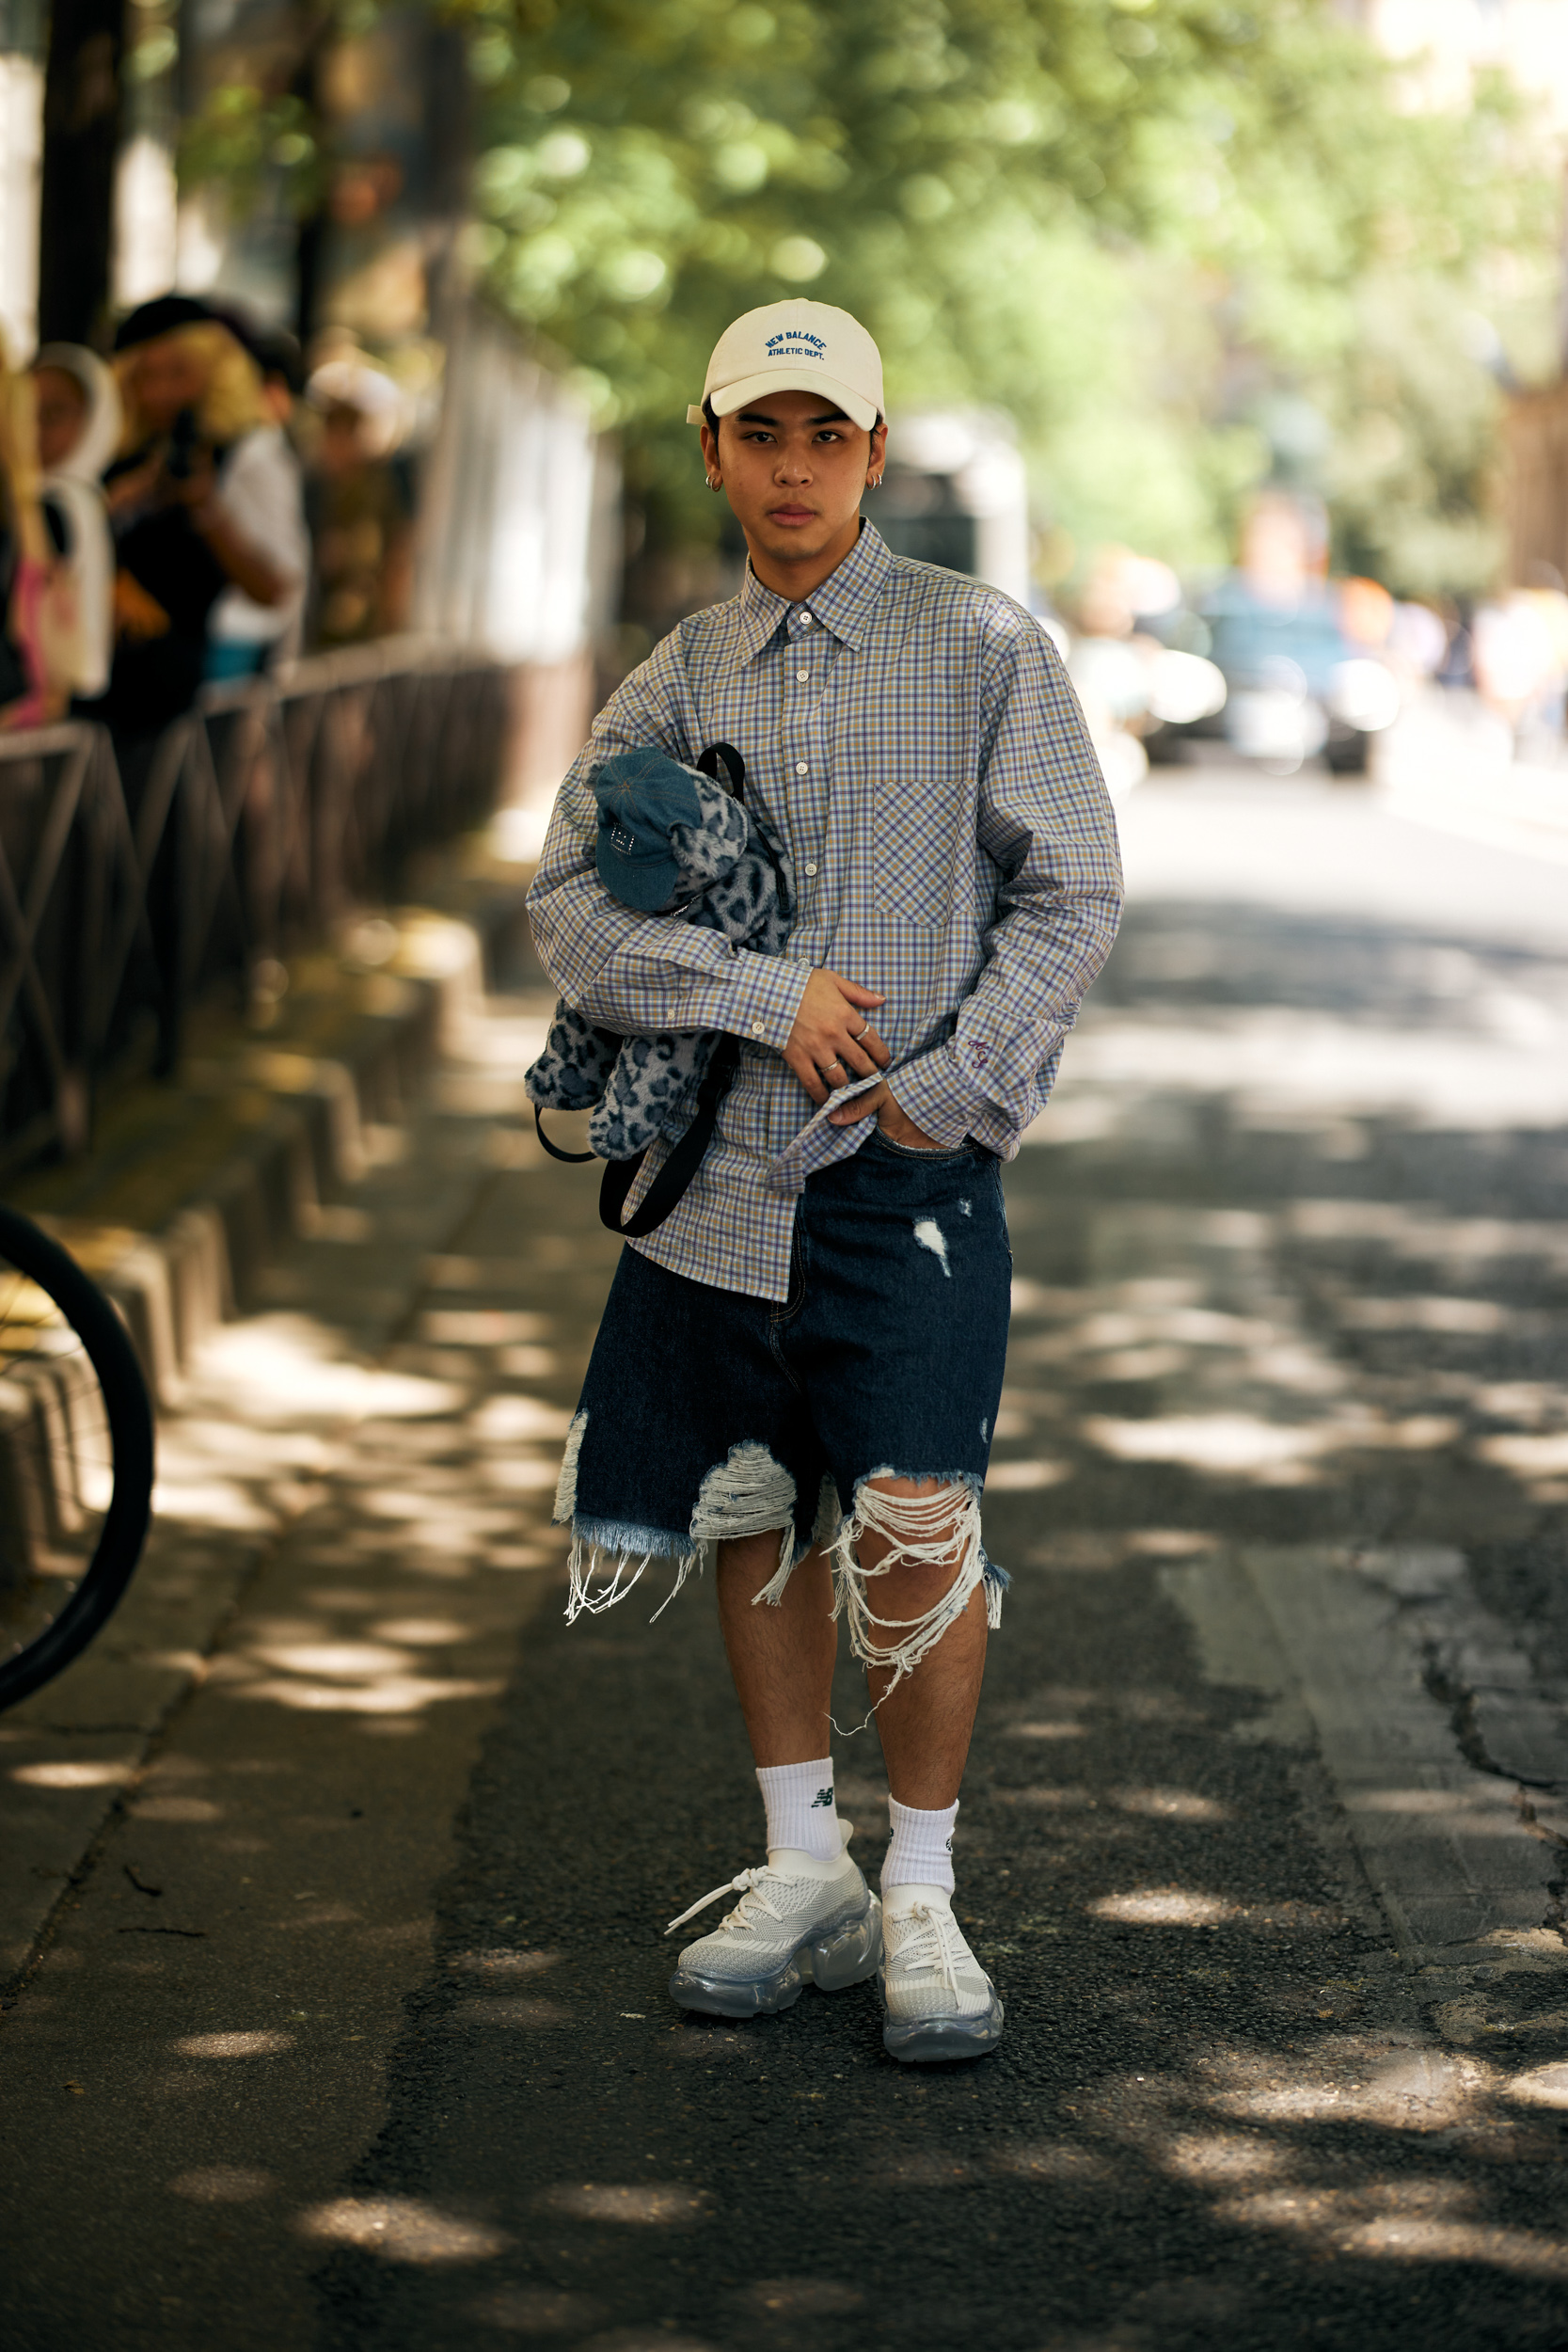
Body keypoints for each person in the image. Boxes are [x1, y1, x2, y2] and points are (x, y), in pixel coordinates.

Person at [527, 300, 1122, 2062]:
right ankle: (803, 1867)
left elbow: (1072, 890)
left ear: (870, 453)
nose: (791, 471)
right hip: (716, 1180)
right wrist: (757, 994)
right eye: (757, 437)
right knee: (756, 1508)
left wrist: (947, 1089)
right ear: (710, 450)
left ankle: (922, 1892)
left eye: (825, 438)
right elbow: (566, 907)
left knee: (915, 1519)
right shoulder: (681, 671)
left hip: (904, 1182)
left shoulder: (979, 648)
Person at [101, 294, 297, 737]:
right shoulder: (122, 458)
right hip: (108, 689)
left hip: (184, 696)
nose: (161, 393)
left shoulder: (245, 456)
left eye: (177, 374)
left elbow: (275, 587)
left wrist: (207, 508)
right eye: (145, 376)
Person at [203, 313, 309, 682]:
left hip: (241, 630)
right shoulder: (252, 451)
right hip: (245, 627)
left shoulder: (260, 455)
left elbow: (282, 571)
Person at [32, 342, 121, 705]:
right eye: (26, 411)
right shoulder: (87, 497)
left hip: (46, 696)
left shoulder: (56, 503)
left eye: (53, 414)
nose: (35, 427)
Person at [303, 358, 413, 649]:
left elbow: (395, 551)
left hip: (357, 622)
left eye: (344, 432)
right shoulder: (315, 483)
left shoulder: (377, 487)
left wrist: (392, 620)